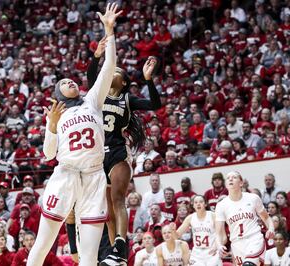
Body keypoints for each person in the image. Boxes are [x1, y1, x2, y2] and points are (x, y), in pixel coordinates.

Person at [27, 4, 121, 266]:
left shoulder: (92, 101)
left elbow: (110, 64)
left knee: (89, 253)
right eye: (63, 83)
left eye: (71, 80)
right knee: (43, 244)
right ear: (58, 95)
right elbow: (48, 154)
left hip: (93, 177)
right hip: (65, 175)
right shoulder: (57, 114)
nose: (70, 81)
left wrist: (109, 29)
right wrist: (52, 127)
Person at [87, 15, 161, 265]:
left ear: (124, 81)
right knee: (107, 211)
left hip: (118, 151)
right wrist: (97, 56)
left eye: (117, 71)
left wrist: (149, 80)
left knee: (118, 199)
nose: (113, 71)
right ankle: (116, 256)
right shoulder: (97, 96)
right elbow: (91, 76)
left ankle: (120, 244)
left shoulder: (127, 99)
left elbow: (155, 104)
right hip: (98, 155)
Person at [215, 171, 275, 266]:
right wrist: (218, 245)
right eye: (228, 178)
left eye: (234, 177)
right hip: (236, 244)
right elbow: (218, 232)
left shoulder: (253, 198)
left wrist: (271, 229)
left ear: (241, 183)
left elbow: (266, 218)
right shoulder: (221, 205)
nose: (230, 179)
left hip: (254, 239)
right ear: (226, 184)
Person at [171, 195, 222, 266]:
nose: (198, 204)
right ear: (193, 205)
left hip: (211, 251)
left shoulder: (212, 215)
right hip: (197, 253)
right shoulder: (190, 218)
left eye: (201, 202)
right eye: (196, 202)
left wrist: (216, 246)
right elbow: (177, 236)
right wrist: (173, 230)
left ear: (205, 204)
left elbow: (221, 235)